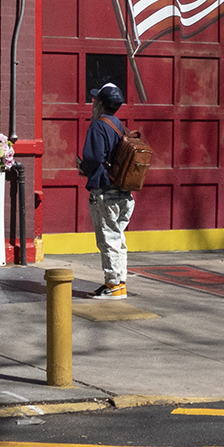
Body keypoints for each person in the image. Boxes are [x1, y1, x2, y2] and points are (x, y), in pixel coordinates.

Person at [79, 82, 135, 300]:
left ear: (101, 103)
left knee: (108, 239)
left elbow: (92, 158)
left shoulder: (98, 126)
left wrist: (83, 168)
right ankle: (120, 283)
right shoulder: (121, 126)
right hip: (124, 193)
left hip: (105, 192)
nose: (93, 104)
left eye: (95, 100)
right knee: (118, 238)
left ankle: (111, 285)